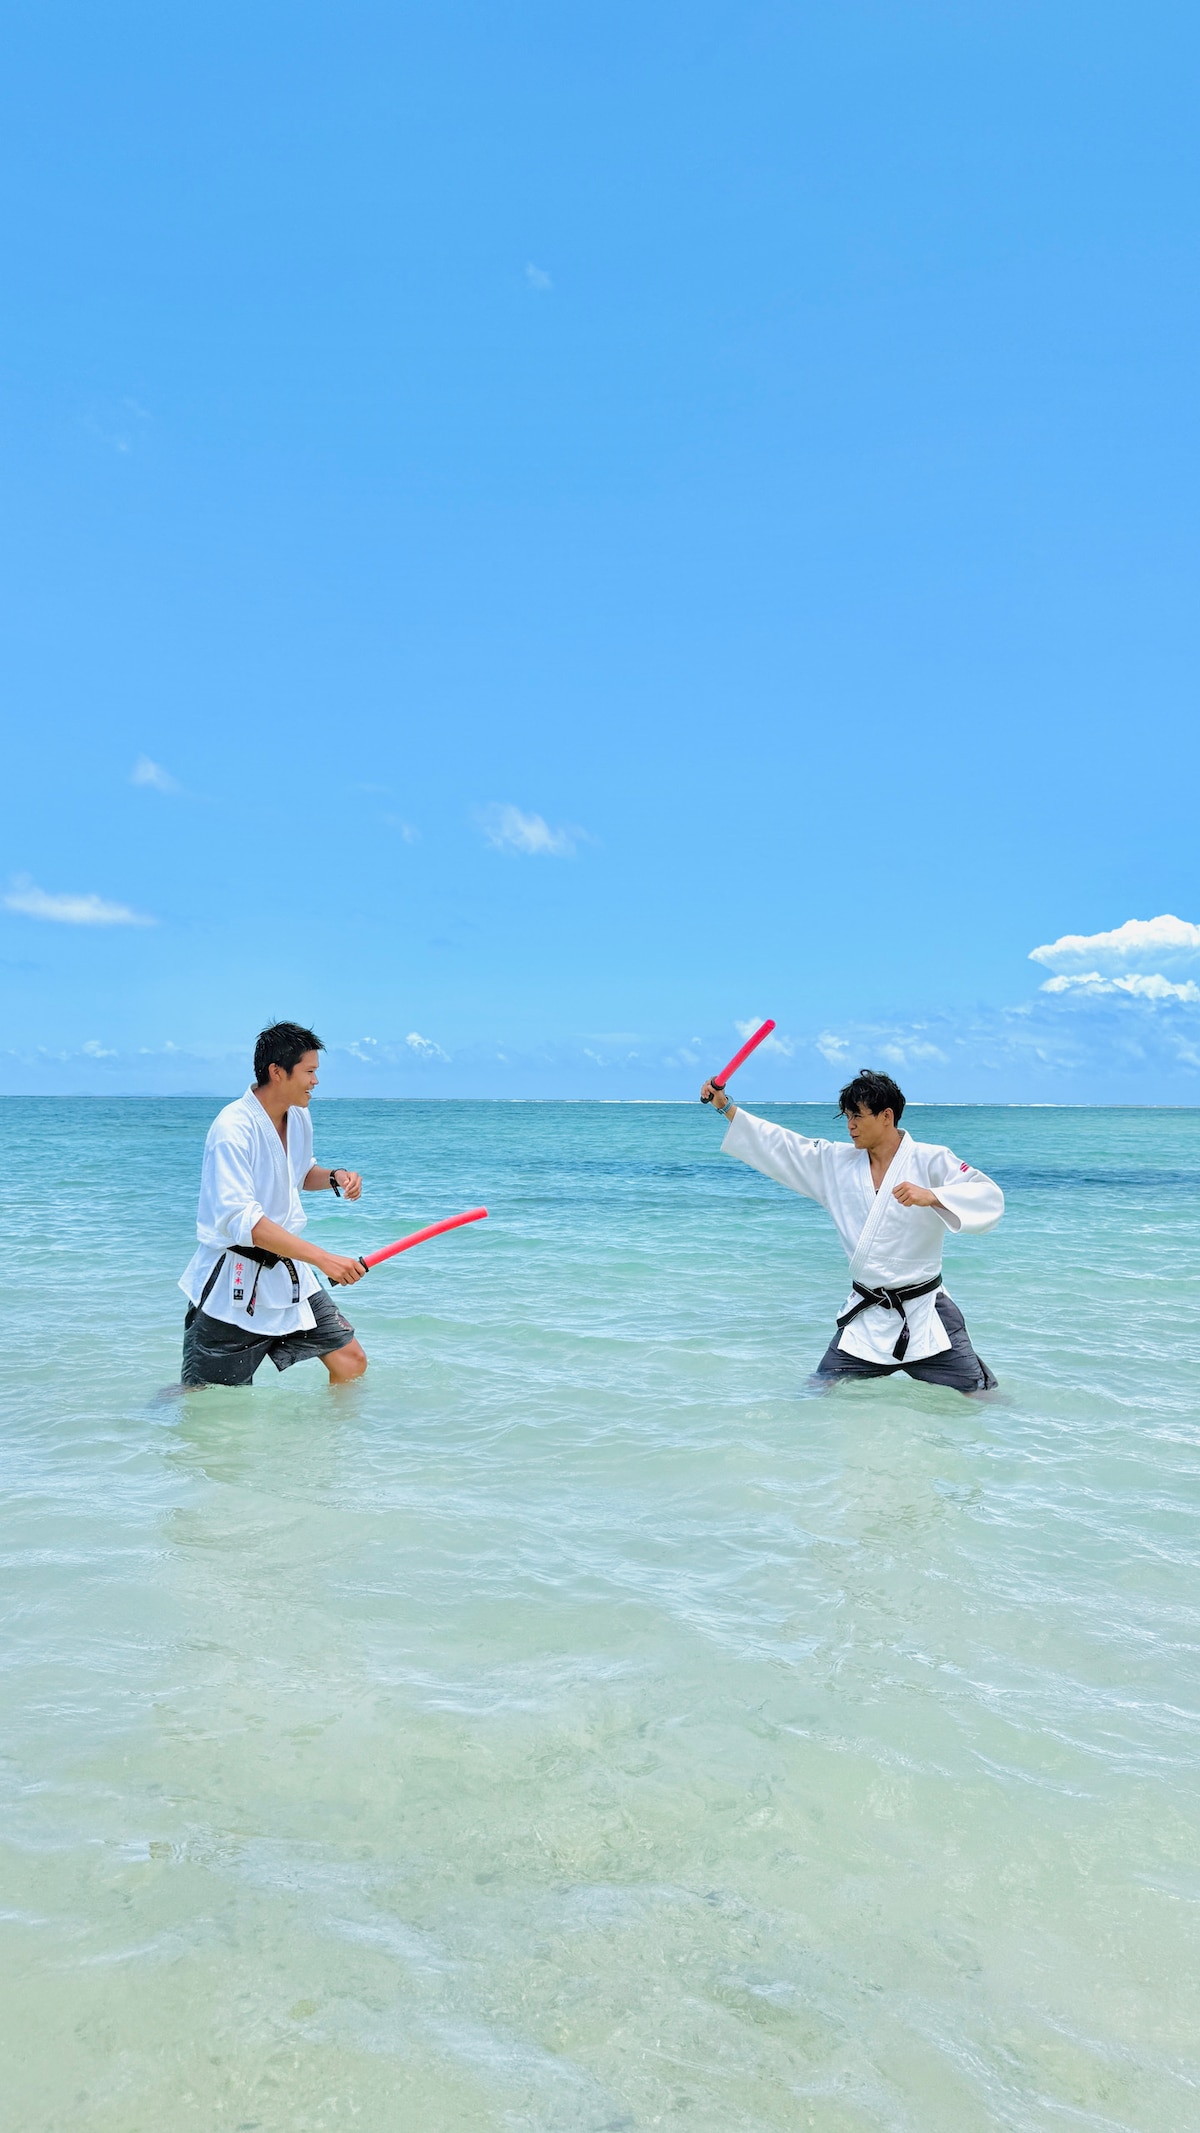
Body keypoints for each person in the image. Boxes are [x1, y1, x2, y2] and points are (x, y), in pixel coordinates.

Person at [701, 1066, 1003, 1392]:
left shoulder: (931, 1161)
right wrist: (725, 1107)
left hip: (926, 1314)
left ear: (886, 1116)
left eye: (857, 1116)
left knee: (981, 1398)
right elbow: (783, 1146)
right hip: (866, 1317)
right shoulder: (836, 1163)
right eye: (846, 1117)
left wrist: (933, 1196)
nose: (850, 1126)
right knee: (817, 1390)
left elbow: (988, 1196)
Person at [179, 1022, 369, 1389]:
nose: (316, 1082)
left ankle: (327, 1446)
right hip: (232, 1282)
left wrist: (335, 1176)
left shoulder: (298, 1115)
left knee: (350, 1361)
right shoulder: (232, 1129)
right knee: (205, 1400)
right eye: (309, 1072)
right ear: (277, 1072)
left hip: (287, 1275)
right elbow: (244, 1222)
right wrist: (323, 1259)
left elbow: (298, 1172)